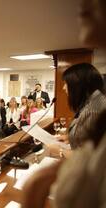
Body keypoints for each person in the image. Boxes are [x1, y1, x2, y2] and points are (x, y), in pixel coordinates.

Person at [22, 1, 106, 207]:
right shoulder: (93, 104)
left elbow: (94, 167)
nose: (63, 89)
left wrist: (57, 151)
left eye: (67, 84)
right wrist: (68, 136)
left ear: (79, 85)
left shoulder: (95, 109)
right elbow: (91, 146)